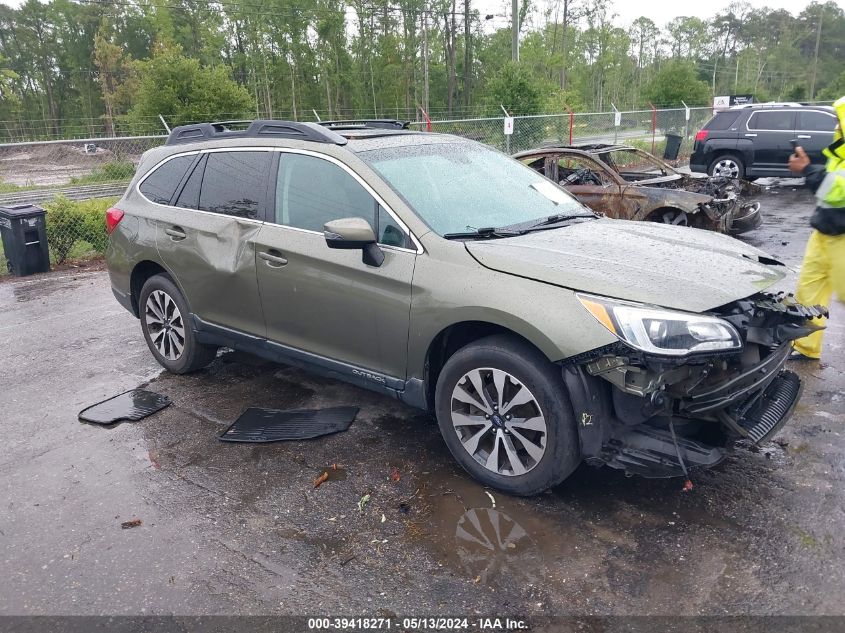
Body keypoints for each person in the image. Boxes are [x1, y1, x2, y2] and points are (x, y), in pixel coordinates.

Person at [789, 95, 845, 360]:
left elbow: (837, 191)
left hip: (842, 238)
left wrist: (808, 170)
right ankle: (805, 346)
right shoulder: (839, 151)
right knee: (808, 291)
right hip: (824, 230)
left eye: (838, 121)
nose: (836, 126)